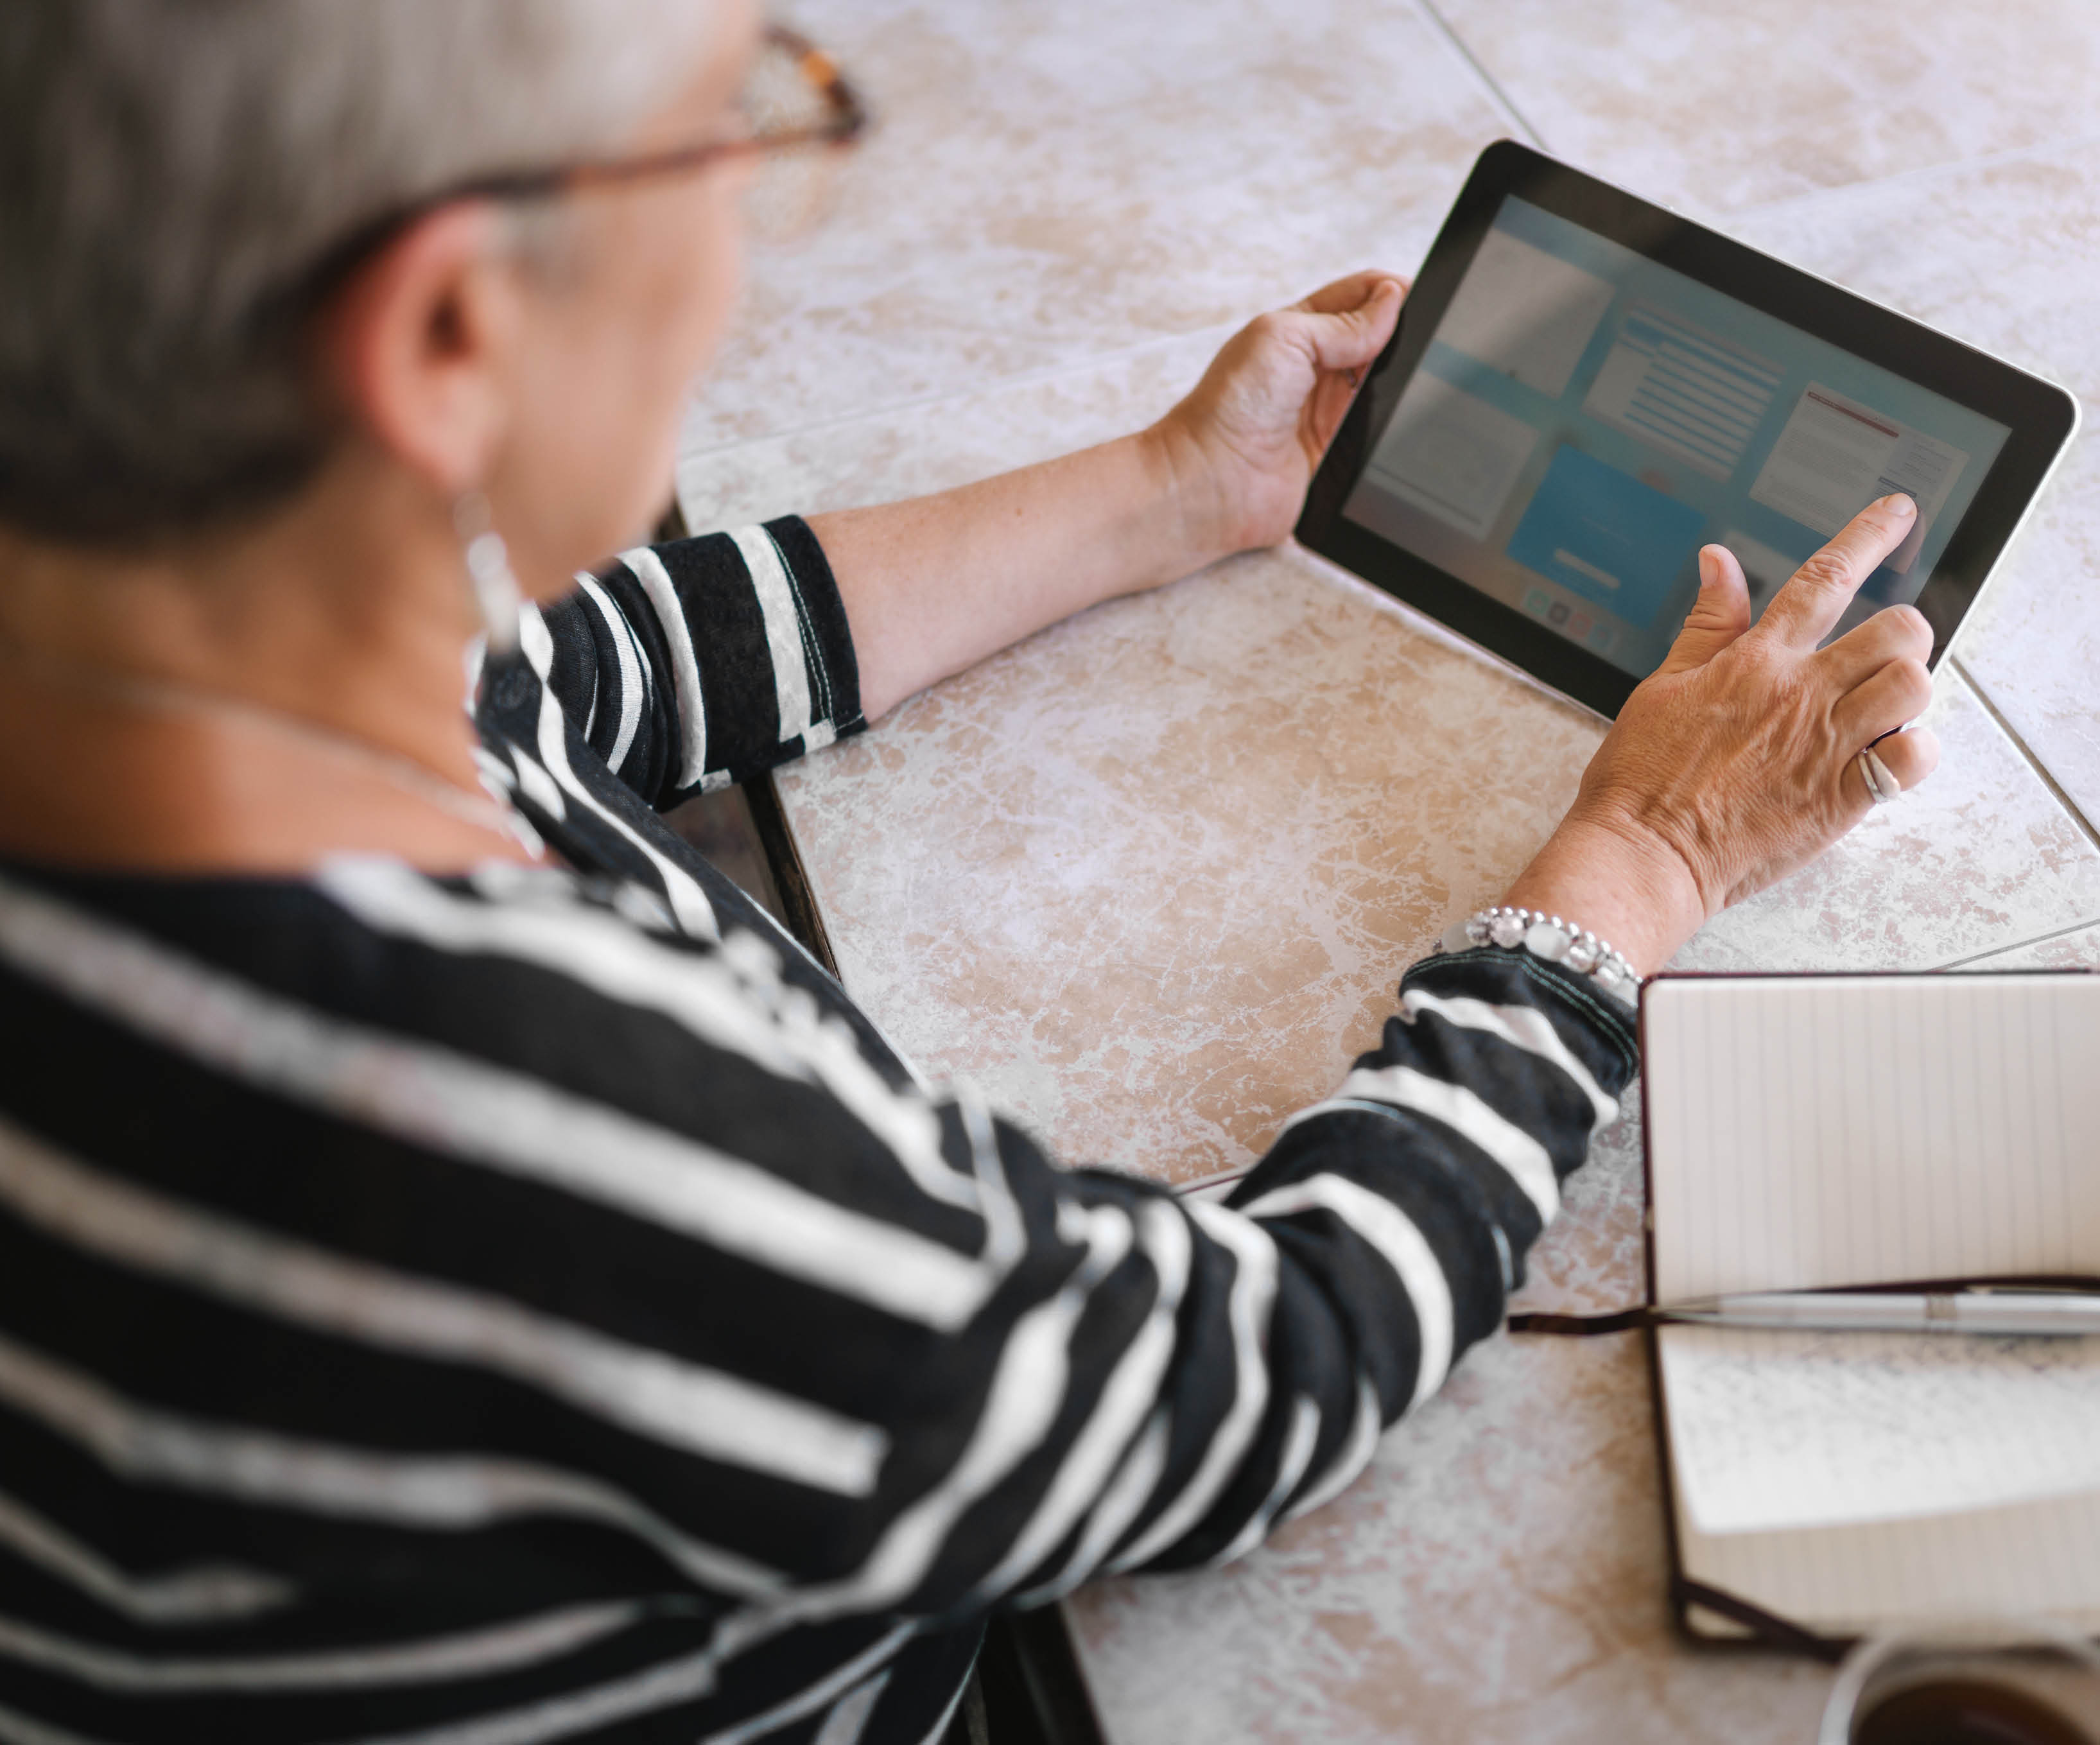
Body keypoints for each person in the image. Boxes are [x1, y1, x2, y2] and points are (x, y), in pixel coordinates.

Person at [0, 3, 1940, 1742]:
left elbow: (570, 675)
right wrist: (1638, 858)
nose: (751, 225)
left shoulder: (163, 680)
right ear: (445, 334)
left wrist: (1173, 490)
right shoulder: (523, 1128)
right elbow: (1239, 1373)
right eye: (728, 125)